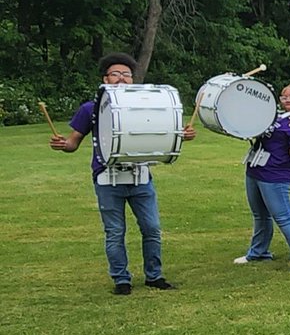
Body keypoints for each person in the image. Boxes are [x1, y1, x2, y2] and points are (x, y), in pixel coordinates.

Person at [49, 53, 197, 295]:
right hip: (107, 179)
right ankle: (121, 280)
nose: (121, 79)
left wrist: (183, 135)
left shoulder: (146, 104)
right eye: (115, 74)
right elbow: (73, 143)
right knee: (115, 232)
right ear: (105, 78)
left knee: (151, 228)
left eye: (126, 74)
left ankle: (154, 276)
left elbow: (163, 133)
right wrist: (62, 144)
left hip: (141, 176)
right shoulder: (91, 108)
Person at [233, 84, 290, 274]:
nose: (287, 100)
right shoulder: (274, 115)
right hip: (255, 169)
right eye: (283, 97)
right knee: (260, 215)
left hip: (275, 175)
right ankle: (258, 252)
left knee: (284, 217)